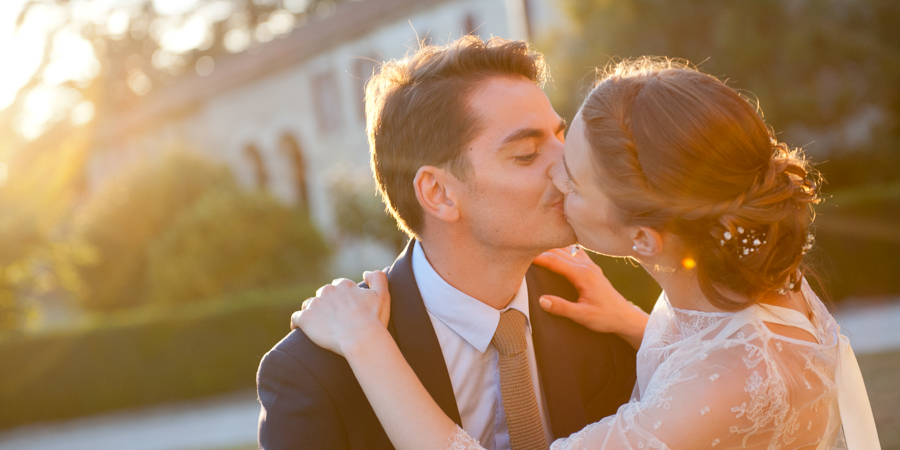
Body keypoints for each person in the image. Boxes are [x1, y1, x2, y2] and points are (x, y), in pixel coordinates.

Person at [293, 58, 881, 449]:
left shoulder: (725, 373)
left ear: (645, 239)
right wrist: (639, 326)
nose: (557, 175)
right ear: (438, 193)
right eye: (530, 154)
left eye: (573, 174)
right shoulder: (741, 285)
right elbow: (722, 356)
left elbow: (728, 383)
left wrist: (366, 344)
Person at [255, 36, 641, 450]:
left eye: (560, 139)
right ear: (438, 193)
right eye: (527, 154)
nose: (567, 167)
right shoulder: (315, 372)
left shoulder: (597, 311)